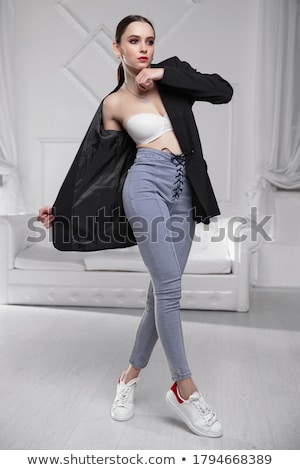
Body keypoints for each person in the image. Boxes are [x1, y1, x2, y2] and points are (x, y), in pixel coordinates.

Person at [38, 14, 233, 438]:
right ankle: (185, 389)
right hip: (144, 185)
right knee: (169, 290)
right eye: (133, 41)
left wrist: (165, 73)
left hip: (184, 190)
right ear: (118, 48)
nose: (143, 48)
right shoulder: (113, 104)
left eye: (149, 41)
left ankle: (128, 377)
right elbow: (92, 165)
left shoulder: (174, 77)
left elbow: (223, 90)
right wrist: (61, 207)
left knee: (159, 293)